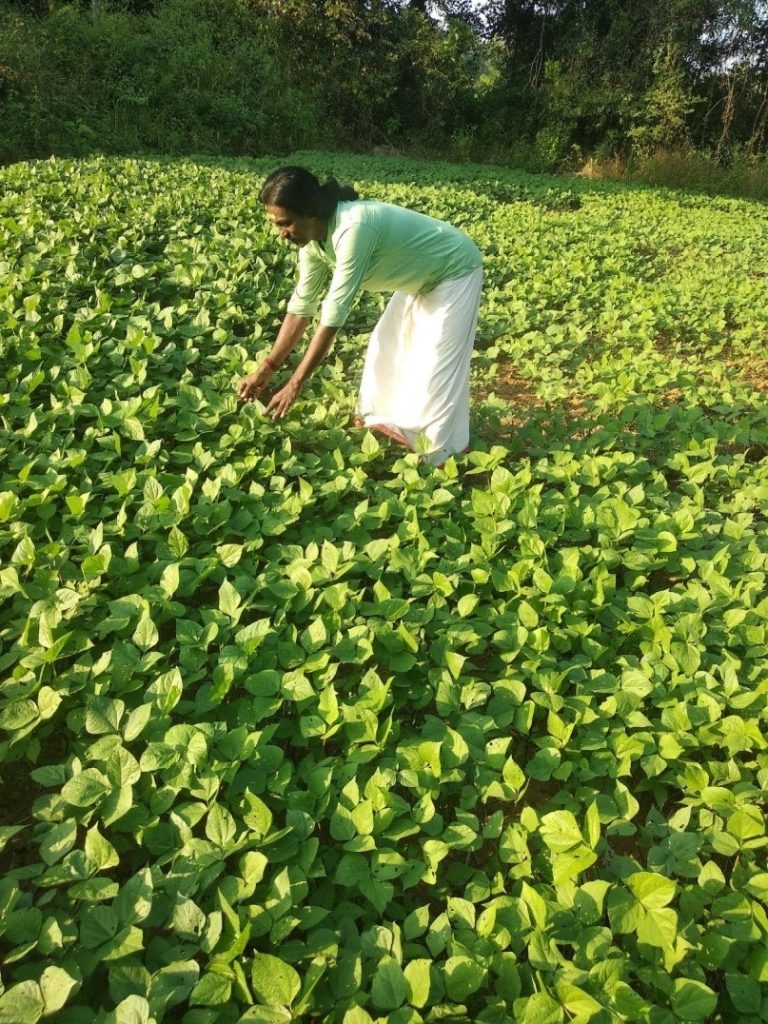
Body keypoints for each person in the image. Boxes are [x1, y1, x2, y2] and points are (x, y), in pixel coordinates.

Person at [238, 166, 483, 463]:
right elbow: (302, 306)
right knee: (387, 347)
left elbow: (334, 312)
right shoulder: (312, 242)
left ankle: (438, 456)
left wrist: (295, 383)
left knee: (438, 365)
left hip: (453, 268)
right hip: (416, 277)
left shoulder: (353, 228)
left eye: (285, 223)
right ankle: (388, 427)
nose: (280, 234)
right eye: (276, 224)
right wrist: (267, 367)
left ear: (310, 212)